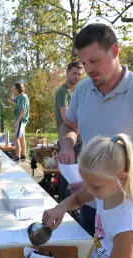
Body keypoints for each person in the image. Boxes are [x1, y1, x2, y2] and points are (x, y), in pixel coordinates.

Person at [57, 23, 133, 236]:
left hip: (129, 211)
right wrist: (67, 144)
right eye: (83, 62)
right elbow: (69, 126)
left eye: (94, 60)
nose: (88, 69)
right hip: (90, 205)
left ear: (115, 51)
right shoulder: (82, 89)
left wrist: (95, 186)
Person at [55, 62, 84, 201]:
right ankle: (65, 207)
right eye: (74, 73)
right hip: (68, 141)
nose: (77, 77)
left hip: (80, 141)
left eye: (79, 74)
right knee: (68, 178)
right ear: (67, 72)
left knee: (79, 178)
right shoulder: (62, 92)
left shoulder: (79, 91)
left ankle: (75, 208)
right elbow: (66, 117)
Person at [10, 82, 30, 162]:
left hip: (21, 120)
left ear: (17, 89)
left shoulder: (23, 97)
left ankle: (17, 156)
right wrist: (11, 92)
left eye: (14, 88)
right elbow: (11, 100)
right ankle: (23, 155)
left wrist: (17, 121)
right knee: (21, 138)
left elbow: (23, 110)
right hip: (21, 120)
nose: (13, 89)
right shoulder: (19, 97)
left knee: (15, 138)